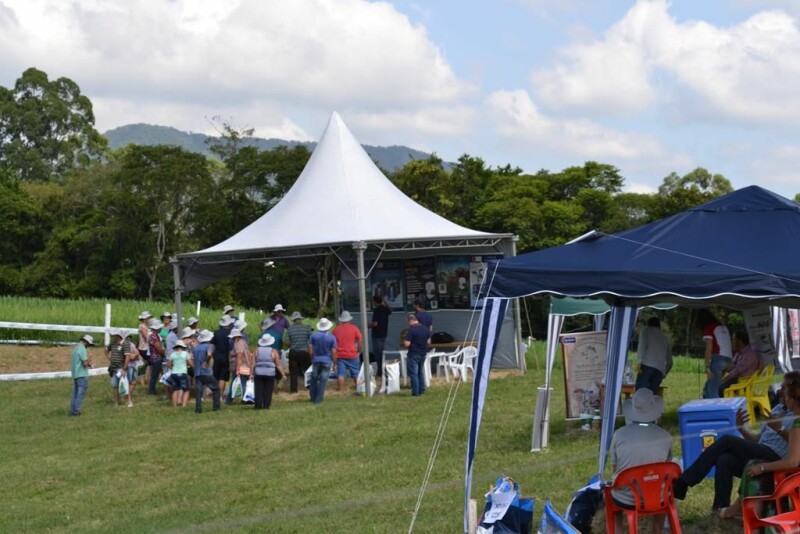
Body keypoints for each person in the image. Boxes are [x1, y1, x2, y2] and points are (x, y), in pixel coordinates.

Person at [673, 371, 798, 515]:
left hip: (777, 458)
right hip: (762, 450)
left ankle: (684, 482)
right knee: (725, 459)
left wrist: (779, 428)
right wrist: (741, 429)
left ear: (793, 391)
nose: (779, 391)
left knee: (727, 440)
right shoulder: (776, 409)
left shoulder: (797, 416)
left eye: (783, 388)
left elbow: (795, 446)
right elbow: (758, 439)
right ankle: (720, 508)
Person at [608, 388, 673, 533]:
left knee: (612, 505)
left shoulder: (619, 435)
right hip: (657, 497)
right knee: (665, 492)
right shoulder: (666, 436)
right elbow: (668, 471)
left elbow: (615, 471)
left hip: (626, 498)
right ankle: (656, 531)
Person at [696, 309, 732, 399]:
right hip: (729, 360)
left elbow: (709, 348)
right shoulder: (723, 327)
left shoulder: (709, 327)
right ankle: (706, 409)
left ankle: (718, 410)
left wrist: (707, 366)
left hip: (719, 359)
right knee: (707, 390)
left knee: (712, 393)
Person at [635, 317, 672, 393]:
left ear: (648, 324)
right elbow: (670, 361)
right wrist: (664, 373)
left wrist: (639, 362)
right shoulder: (665, 338)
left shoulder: (645, 331)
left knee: (640, 394)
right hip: (659, 369)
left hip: (646, 366)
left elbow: (642, 347)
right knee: (652, 396)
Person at [718, 330, 760, 397]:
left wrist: (724, 378)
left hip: (744, 382)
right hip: (738, 380)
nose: (732, 342)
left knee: (721, 388)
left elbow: (737, 370)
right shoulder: (739, 353)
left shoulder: (749, 355)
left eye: (733, 339)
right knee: (721, 386)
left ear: (740, 341)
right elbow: (732, 365)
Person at [253, 333, 286, 409]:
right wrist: (283, 374)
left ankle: (258, 405)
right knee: (268, 390)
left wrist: (251, 373)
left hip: (258, 373)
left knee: (258, 390)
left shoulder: (256, 350)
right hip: (270, 373)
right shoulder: (273, 351)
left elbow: (253, 363)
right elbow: (278, 364)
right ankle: (266, 405)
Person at [308, 318, 337, 404]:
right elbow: (334, 351)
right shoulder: (332, 337)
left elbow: (309, 347)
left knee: (314, 379)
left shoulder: (314, 335)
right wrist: (335, 363)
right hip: (326, 360)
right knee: (323, 381)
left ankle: (312, 397)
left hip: (316, 359)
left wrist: (311, 356)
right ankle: (318, 399)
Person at [333, 310, 362, 392]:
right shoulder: (354, 328)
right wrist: (358, 350)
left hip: (340, 355)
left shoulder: (336, 329)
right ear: (349, 319)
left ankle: (341, 390)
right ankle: (359, 388)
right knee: (356, 373)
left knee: (341, 374)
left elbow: (333, 343)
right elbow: (360, 339)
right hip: (352, 354)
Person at [192, 329, 220, 413]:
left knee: (198, 391)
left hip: (197, 372)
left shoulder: (196, 348)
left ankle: (198, 408)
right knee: (216, 388)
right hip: (206, 372)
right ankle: (216, 406)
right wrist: (207, 362)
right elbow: (209, 354)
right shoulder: (209, 346)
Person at [285, 311, 312, 394]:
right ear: (300, 319)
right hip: (304, 352)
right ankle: (309, 387)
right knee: (308, 371)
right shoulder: (307, 328)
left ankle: (293, 391)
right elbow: (310, 340)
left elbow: (286, 342)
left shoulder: (289, 329)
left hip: (293, 352)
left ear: (293, 320)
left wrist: (291, 344)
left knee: (293, 373)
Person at [404, 314, 430, 396]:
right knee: (420, 372)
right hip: (423, 353)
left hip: (413, 353)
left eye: (408, 322)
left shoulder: (411, 330)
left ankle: (415, 392)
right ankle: (422, 390)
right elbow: (429, 342)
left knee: (413, 374)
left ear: (411, 321)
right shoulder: (425, 329)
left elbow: (407, 344)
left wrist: (406, 337)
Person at [70, 334, 94, 416]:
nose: (89, 346)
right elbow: (85, 363)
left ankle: (73, 409)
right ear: (86, 342)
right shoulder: (83, 349)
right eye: (89, 344)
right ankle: (76, 411)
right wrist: (89, 361)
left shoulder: (76, 348)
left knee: (75, 393)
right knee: (80, 394)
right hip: (82, 374)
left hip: (76, 374)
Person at [369, 295, 391, 383]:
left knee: (378, 354)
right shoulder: (385, 309)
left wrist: (368, 325)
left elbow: (375, 324)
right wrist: (385, 300)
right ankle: (382, 371)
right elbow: (390, 309)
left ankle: (380, 372)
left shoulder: (377, 310)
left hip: (377, 334)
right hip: (384, 333)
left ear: (375, 302)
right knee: (382, 353)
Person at [213, 315, 234, 402]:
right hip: (226, 357)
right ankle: (220, 395)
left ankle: (216, 395)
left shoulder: (216, 333)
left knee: (216, 377)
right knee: (223, 378)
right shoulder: (231, 333)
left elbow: (213, 345)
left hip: (217, 356)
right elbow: (231, 348)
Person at [228, 328, 253, 404]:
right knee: (242, 383)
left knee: (241, 383)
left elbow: (239, 357)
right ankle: (245, 399)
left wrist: (237, 370)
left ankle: (246, 399)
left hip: (242, 366)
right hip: (245, 365)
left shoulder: (239, 344)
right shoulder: (242, 342)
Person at [104, 329, 127, 407]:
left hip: (120, 368)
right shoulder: (112, 344)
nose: (113, 336)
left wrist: (124, 368)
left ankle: (122, 398)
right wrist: (109, 357)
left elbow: (127, 357)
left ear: (118, 336)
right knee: (114, 385)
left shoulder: (124, 344)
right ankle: (116, 402)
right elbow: (106, 350)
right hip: (113, 368)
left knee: (122, 384)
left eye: (114, 335)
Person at [168, 339, 191, 407]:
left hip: (174, 373)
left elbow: (168, 364)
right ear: (182, 347)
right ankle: (184, 405)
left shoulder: (172, 354)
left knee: (175, 390)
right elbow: (190, 363)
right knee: (186, 390)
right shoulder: (185, 354)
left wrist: (173, 368)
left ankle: (174, 406)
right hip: (183, 373)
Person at [122, 331, 142, 408]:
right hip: (128, 366)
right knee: (130, 382)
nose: (129, 339)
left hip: (133, 365)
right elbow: (127, 356)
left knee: (133, 382)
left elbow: (137, 353)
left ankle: (127, 396)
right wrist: (132, 355)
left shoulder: (132, 345)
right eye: (127, 337)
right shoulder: (123, 345)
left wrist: (134, 355)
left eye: (129, 337)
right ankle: (129, 399)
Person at [147, 318, 166, 395]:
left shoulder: (152, 336)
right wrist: (164, 351)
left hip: (153, 357)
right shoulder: (154, 337)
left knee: (154, 374)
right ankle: (152, 390)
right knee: (155, 375)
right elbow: (159, 349)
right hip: (156, 358)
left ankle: (152, 389)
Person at [137, 311, 151, 387]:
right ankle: (148, 380)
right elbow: (147, 338)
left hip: (142, 347)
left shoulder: (143, 326)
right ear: (145, 319)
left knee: (143, 364)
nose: (149, 319)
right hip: (145, 348)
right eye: (148, 318)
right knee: (150, 364)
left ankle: (143, 381)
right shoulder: (143, 327)